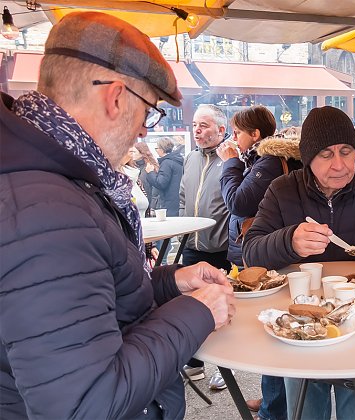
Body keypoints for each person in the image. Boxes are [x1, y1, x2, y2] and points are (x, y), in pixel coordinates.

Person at [0, 11, 236, 419]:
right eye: (149, 112)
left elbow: (96, 294)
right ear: (115, 98)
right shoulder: (47, 210)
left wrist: (171, 282)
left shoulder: (53, 176)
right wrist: (197, 312)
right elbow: (85, 403)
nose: (144, 130)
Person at [243, 106, 355, 420]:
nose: (339, 165)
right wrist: (289, 241)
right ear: (308, 157)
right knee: (306, 409)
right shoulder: (283, 191)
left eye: (346, 152)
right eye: (326, 154)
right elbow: (250, 252)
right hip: (299, 323)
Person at [217, 106, 302, 420]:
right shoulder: (263, 160)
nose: (233, 138)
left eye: (237, 132)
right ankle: (272, 401)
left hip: (263, 253)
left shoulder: (266, 162)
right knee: (274, 326)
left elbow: (238, 203)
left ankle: (273, 408)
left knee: (272, 327)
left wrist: (228, 165)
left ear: (255, 134)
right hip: (272, 250)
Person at [179, 104, 232, 387]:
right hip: (193, 245)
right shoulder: (190, 158)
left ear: (221, 130)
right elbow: (183, 195)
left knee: (225, 309)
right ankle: (195, 362)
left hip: (222, 247)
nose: (197, 130)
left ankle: (227, 367)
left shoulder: (231, 159)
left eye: (204, 125)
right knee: (190, 306)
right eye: (195, 125)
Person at [145, 137, 183, 216]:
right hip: (177, 203)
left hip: (169, 204)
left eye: (156, 148)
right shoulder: (177, 160)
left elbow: (161, 183)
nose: (156, 150)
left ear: (161, 149)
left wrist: (150, 173)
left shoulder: (166, 163)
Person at [132, 141, 161, 211]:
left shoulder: (150, 167)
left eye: (134, 152)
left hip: (149, 204)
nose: (132, 154)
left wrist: (152, 206)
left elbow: (155, 189)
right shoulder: (133, 167)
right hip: (137, 203)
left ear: (142, 153)